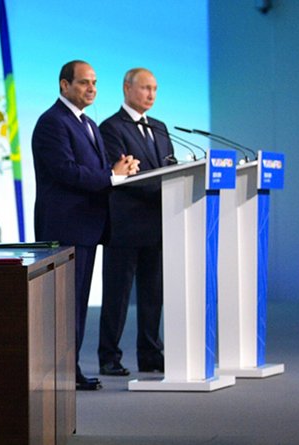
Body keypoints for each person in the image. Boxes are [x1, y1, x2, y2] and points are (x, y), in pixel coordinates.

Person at [31, 60, 140, 391]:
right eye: (83, 83)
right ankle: (61, 371)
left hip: (88, 227)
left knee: (76, 302)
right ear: (64, 85)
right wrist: (111, 176)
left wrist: (116, 168)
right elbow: (66, 171)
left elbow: (94, 168)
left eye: (94, 83)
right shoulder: (52, 122)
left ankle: (70, 368)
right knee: (64, 305)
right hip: (64, 228)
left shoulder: (88, 123)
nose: (91, 88)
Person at [97, 68, 175, 376]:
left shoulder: (160, 127)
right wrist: (165, 189)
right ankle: (109, 356)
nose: (151, 94)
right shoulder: (111, 128)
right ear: (126, 89)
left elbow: (167, 167)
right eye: (145, 88)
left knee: (153, 295)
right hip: (126, 225)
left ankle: (151, 354)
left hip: (158, 224)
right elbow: (125, 175)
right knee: (117, 296)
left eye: (155, 88)